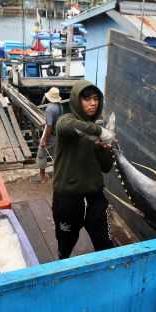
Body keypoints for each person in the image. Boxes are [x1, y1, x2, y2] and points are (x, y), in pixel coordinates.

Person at [52, 80, 116, 259]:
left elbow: (106, 167)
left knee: (105, 244)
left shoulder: (98, 132)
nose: (93, 103)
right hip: (68, 197)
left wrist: (105, 147)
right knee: (65, 243)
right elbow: (65, 127)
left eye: (96, 99)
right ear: (77, 101)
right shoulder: (67, 120)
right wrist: (100, 131)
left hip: (95, 197)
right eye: (87, 99)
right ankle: (61, 266)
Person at [35, 87, 64, 183]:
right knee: (56, 156)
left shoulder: (50, 109)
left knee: (41, 153)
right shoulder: (60, 106)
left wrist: (44, 140)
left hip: (51, 134)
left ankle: (42, 177)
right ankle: (58, 177)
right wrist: (47, 123)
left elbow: (50, 126)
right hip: (58, 134)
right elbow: (56, 121)